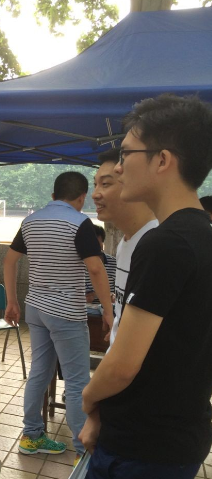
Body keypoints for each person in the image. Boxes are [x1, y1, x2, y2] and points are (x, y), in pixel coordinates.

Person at [79, 94, 212, 479]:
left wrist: (88, 399)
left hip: (141, 447)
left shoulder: (164, 243)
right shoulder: (202, 234)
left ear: (162, 160)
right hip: (178, 437)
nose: (120, 167)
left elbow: (122, 366)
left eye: (126, 154)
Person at [4, 171, 113, 463]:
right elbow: (95, 268)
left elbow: (10, 260)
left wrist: (12, 300)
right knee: (77, 383)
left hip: (35, 308)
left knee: (39, 372)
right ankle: (83, 451)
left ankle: (31, 436)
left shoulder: (30, 221)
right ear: (82, 197)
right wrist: (107, 310)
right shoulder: (80, 223)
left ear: (53, 196)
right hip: (66, 312)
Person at [91, 148, 157, 345]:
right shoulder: (126, 242)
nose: (95, 194)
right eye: (95, 184)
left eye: (105, 184)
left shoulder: (156, 246)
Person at [84, 225, 116, 314]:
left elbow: (120, 292)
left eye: (97, 244)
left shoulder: (114, 263)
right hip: (86, 313)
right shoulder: (77, 264)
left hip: (108, 311)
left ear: (102, 244)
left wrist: (113, 296)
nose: (93, 248)